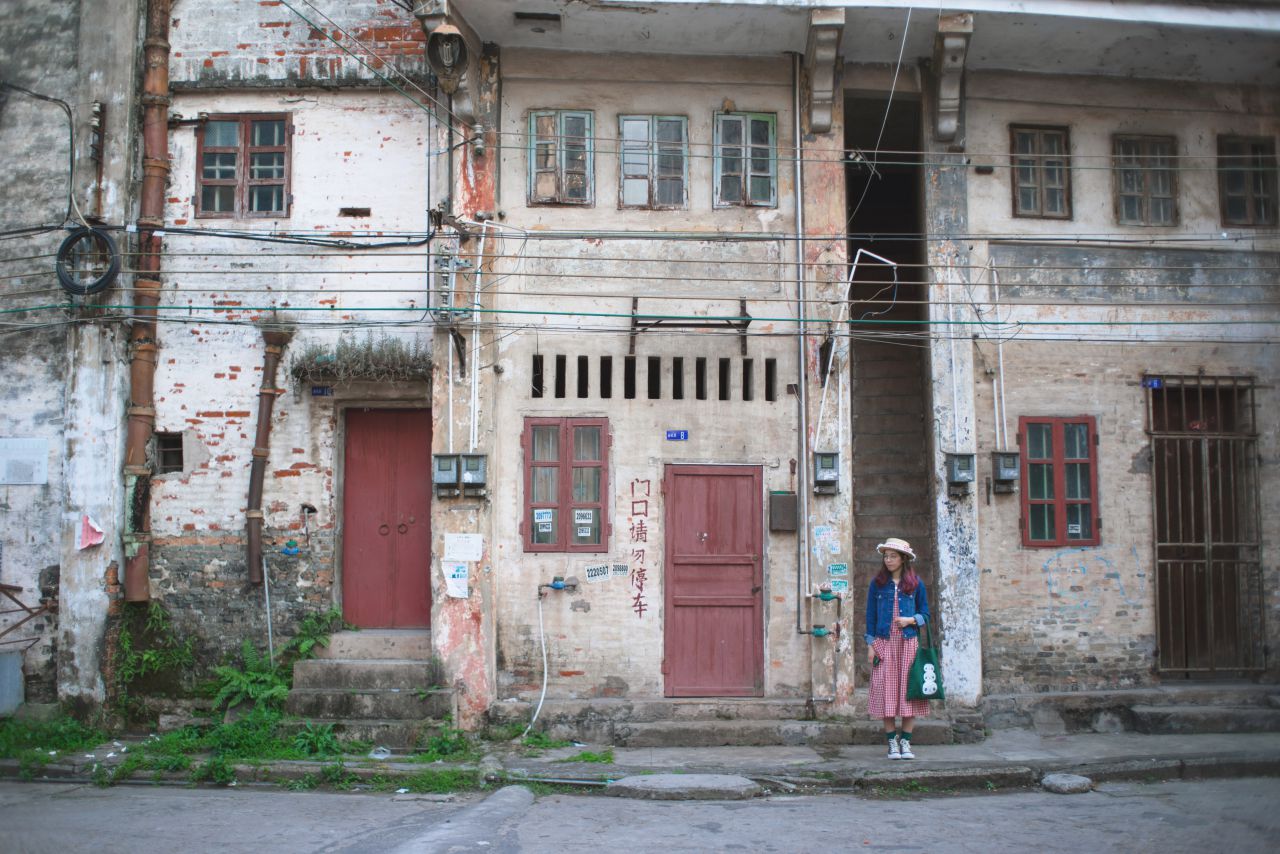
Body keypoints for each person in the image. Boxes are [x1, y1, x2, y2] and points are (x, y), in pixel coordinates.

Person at [864, 536, 931, 760]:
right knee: (886, 692)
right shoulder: (877, 584)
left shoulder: (915, 583)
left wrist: (910, 620)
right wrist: (870, 644)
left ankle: (906, 743)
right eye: (886, 556)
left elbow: (926, 615)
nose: (888, 560)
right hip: (884, 642)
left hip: (908, 644)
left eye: (893, 556)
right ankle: (892, 743)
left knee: (909, 693)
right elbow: (870, 616)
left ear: (903, 559)